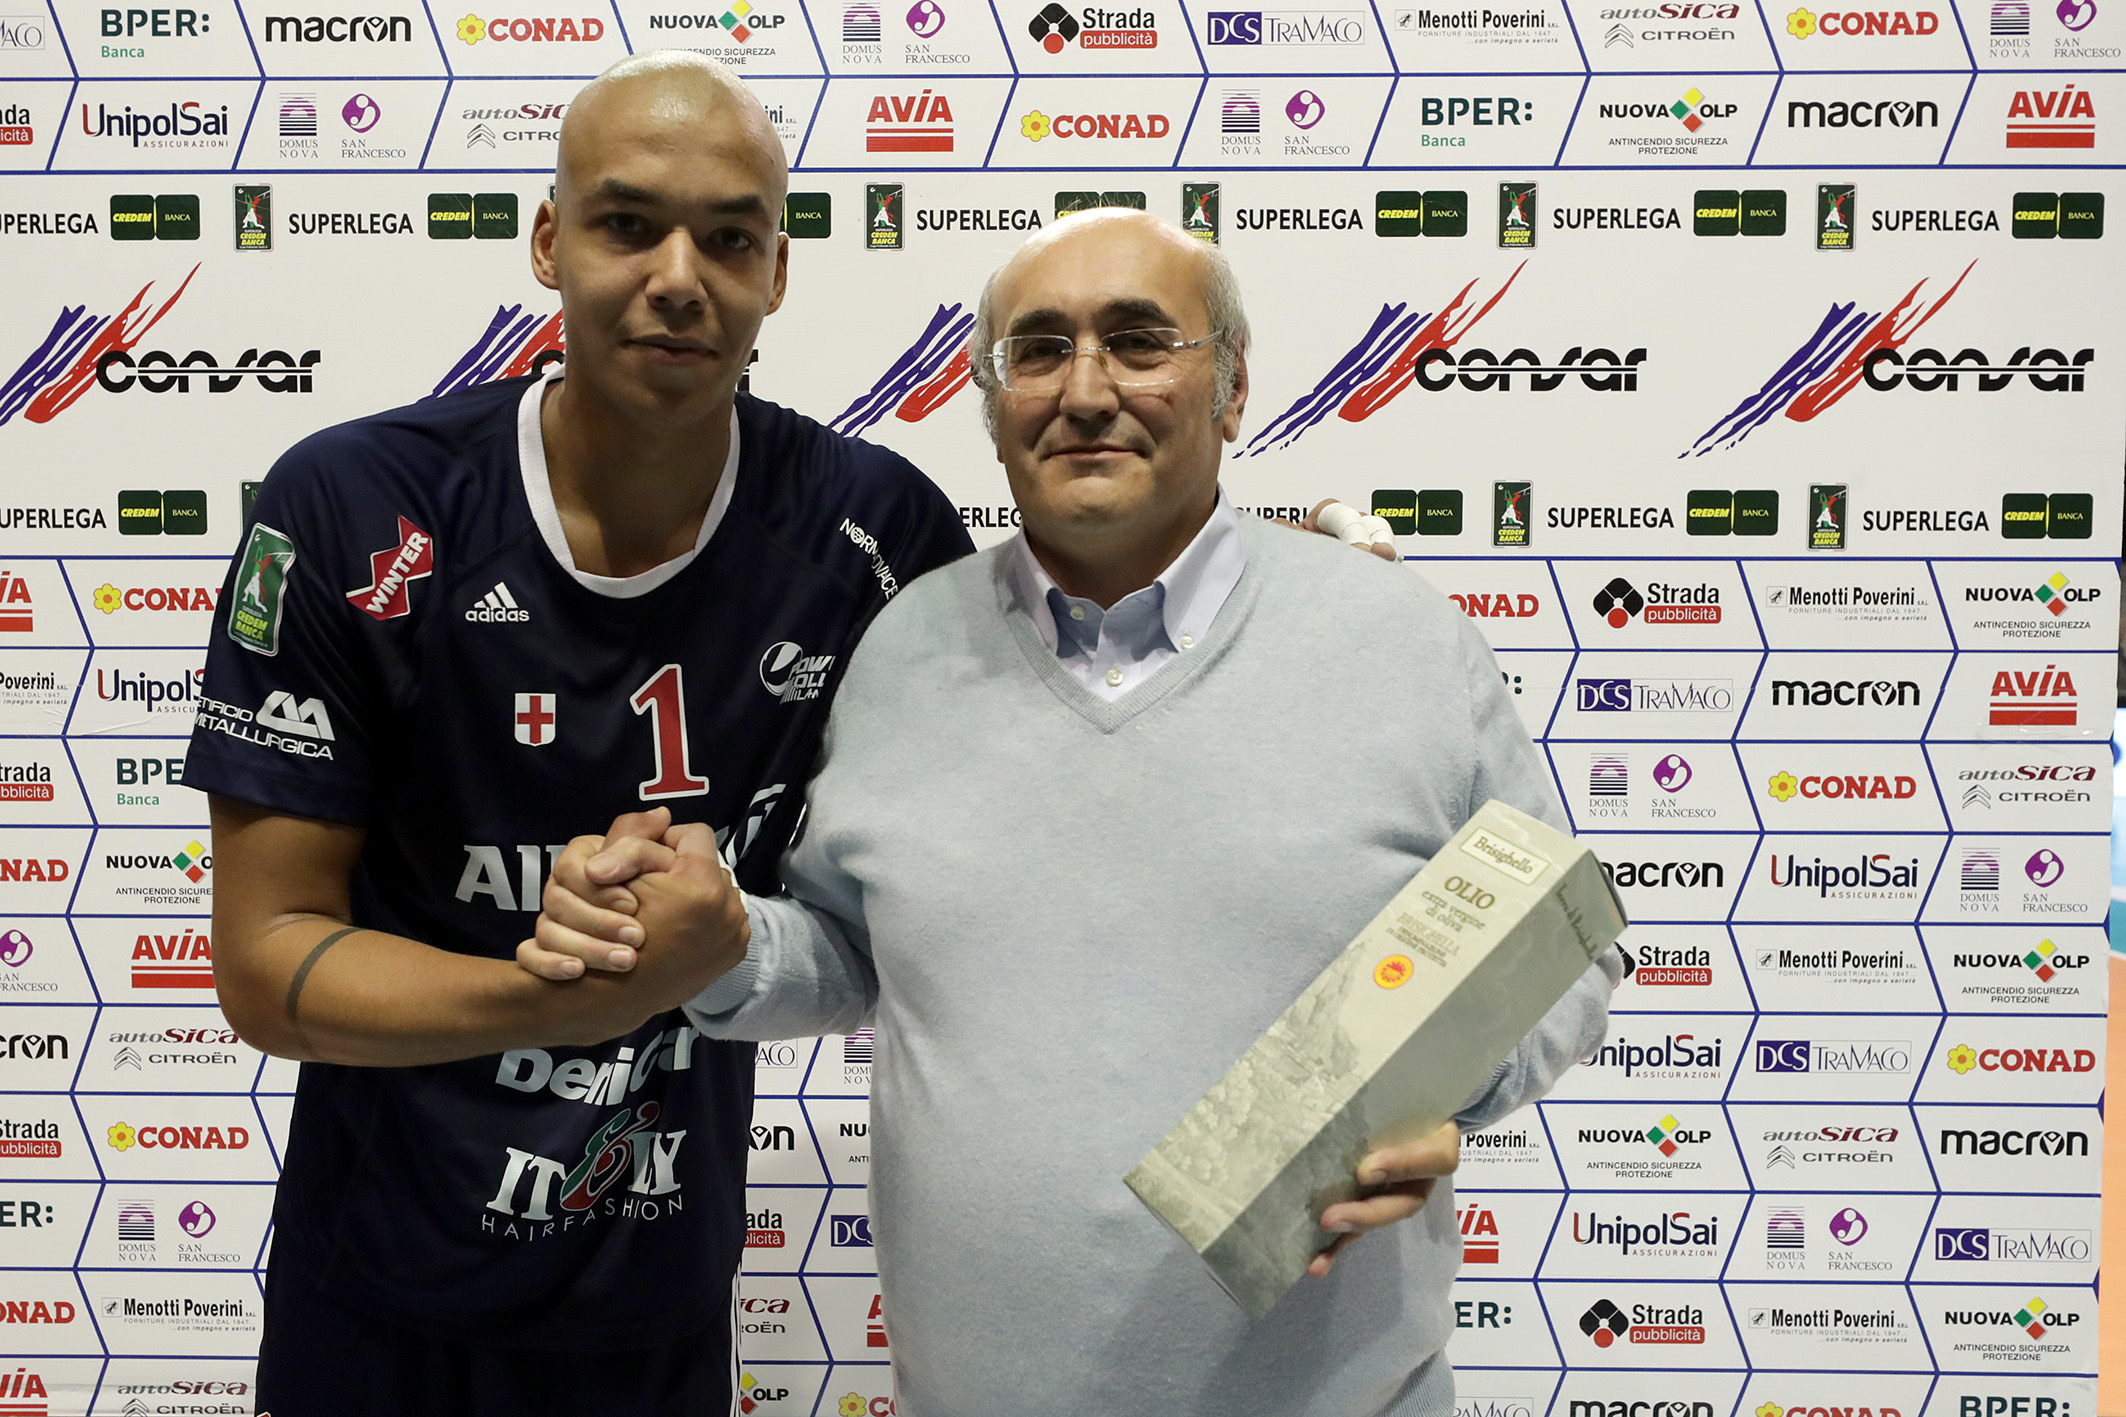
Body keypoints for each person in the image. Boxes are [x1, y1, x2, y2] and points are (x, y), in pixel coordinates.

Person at [526, 209, 1622, 1416]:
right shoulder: (901, 648)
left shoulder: (1402, 643)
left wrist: (1451, 1086)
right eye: (1039, 350)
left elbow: (1564, 949)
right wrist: (721, 940)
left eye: (1140, 342)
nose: (1086, 391)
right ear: (992, 401)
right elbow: (848, 947)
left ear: (1233, 387)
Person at [183, 53, 975, 1416]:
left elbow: (954, 895)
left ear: (778, 272)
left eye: (729, 239)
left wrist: (729, 935)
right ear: (548, 242)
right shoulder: (353, 505)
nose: (679, 277)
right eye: (627, 225)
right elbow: (265, 965)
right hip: (374, 1296)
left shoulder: (876, 531)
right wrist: (569, 997)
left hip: (656, 1298)